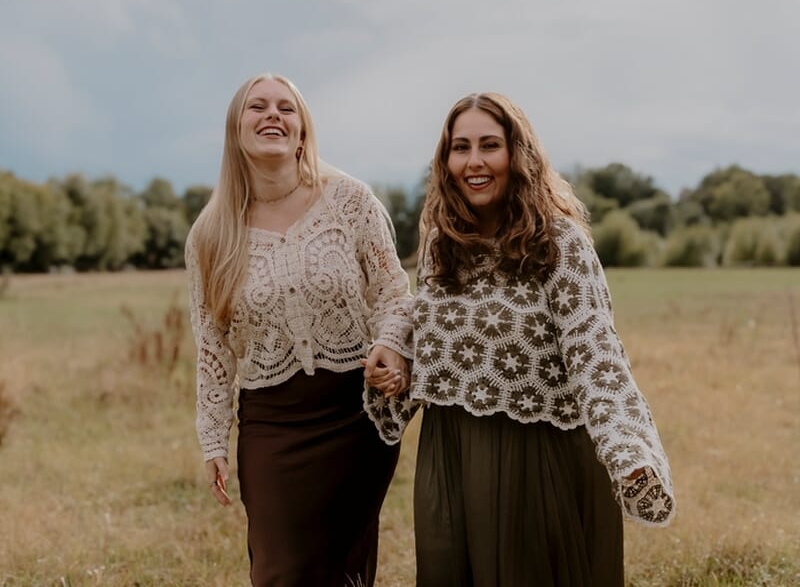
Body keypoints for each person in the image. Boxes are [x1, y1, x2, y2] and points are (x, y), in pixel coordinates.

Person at [395, 92, 675, 586]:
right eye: (460, 147)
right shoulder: (441, 245)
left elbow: (596, 352)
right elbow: (434, 336)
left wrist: (626, 450)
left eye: (489, 145)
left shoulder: (559, 243)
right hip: (451, 457)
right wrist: (394, 361)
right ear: (445, 161)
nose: (474, 161)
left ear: (517, 155)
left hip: (534, 463)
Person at [185, 72, 413, 587]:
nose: (273, 115)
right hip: (272, 424)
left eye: (286, 108)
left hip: (356, 418)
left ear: (303, 129)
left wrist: (392, 346)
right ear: (235, 130)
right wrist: (213, 439)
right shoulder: (210, 233)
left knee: (344, 570)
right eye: (257, 107)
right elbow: (212, 347)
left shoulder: (351, 202)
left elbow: (393, 294)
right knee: (279, 571)